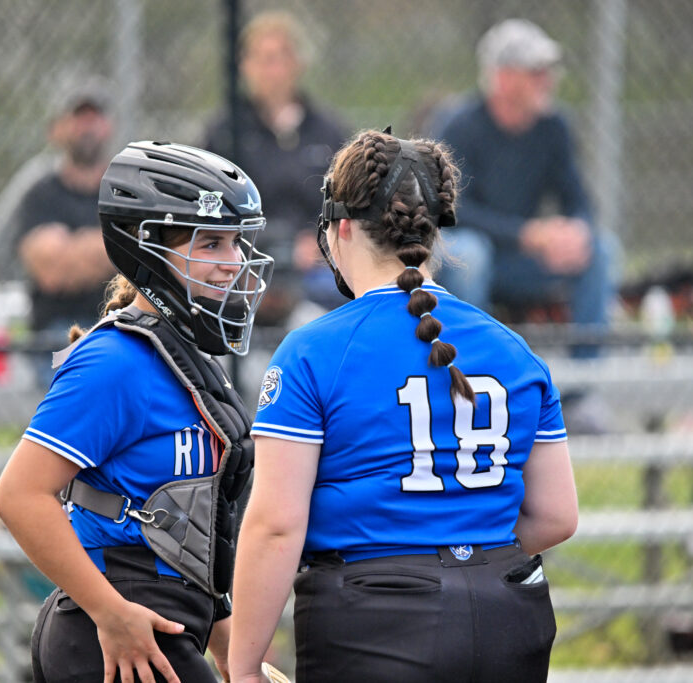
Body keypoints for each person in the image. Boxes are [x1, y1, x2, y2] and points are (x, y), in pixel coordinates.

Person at [228, 129, 579, 682]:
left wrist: (244, 665)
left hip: (375, 619)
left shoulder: (314, 350)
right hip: (509, 611)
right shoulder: (513, 349)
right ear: (437, 233)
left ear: (340, 229)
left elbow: (275, 526)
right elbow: (558, 516)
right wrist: (464, 553)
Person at [0, 141, 274, 682]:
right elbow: (19, 496)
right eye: (210, 243)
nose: (233, 263)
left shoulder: (185, 357)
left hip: (170, 623)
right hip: (114, 629)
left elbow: (192, 539)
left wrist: (232, 652)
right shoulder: (115, 361)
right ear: (149, 250)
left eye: (236, 243)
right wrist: (110, 612)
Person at [431, 18, 615, 355]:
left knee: (600, 249)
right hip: (473, 257)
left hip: (523, 258)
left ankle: (584, 382)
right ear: (502, 78)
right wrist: (527, 234)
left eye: (548, 70)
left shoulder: (553, 126)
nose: (548, 80)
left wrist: (574, 231)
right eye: (535, 71)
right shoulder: (459, 125)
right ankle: (471, 369)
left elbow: (579, 200)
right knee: (470, 252)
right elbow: (451, 211)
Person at [203, 10, 347, 319]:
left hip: (315, 267)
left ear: (298, 63)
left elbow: (346, 200)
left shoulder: (328, 131)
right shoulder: (225, 133)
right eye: (263, 59)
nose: (273, 70)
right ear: (245, 66)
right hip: (245, 262)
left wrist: (319, 242)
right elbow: (211, 205)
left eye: (280, 57)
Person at [6, 79, 118, 386]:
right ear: (57, 129)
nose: (88, 127)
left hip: (120, 324)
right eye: (78, 118)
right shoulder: (39, 193)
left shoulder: (125, 192)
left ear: (108, 126)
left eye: (95, 118)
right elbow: (53, 270)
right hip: (57, 335)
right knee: (88, 375)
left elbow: (151, 252)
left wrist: (76, 248)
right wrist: (117, 242)